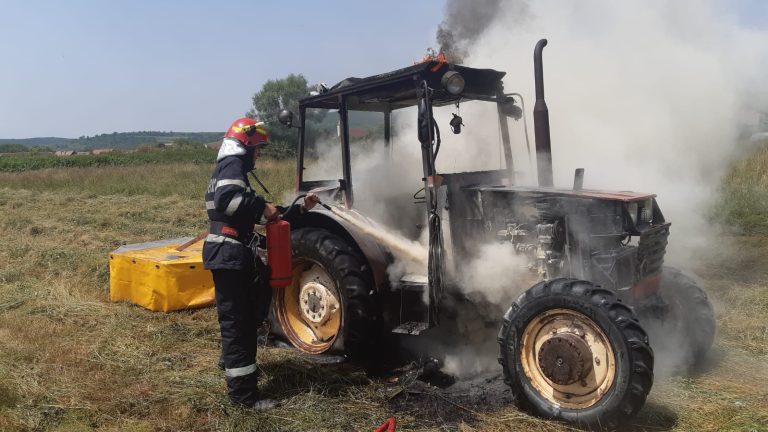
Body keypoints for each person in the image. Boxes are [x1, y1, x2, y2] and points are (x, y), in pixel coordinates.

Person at [202, 117, 318, 410]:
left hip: (232, 253)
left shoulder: (231, 170)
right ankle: (243, 397)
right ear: (246, 145)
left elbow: (268, 216)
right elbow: (228, 200)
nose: (259, 155)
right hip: (229, 253)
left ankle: (231, 360)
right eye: (258, 149)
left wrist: (301, 209)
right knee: (238, 324)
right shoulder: (231, 166)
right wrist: (261, 205)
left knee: (246, 316)